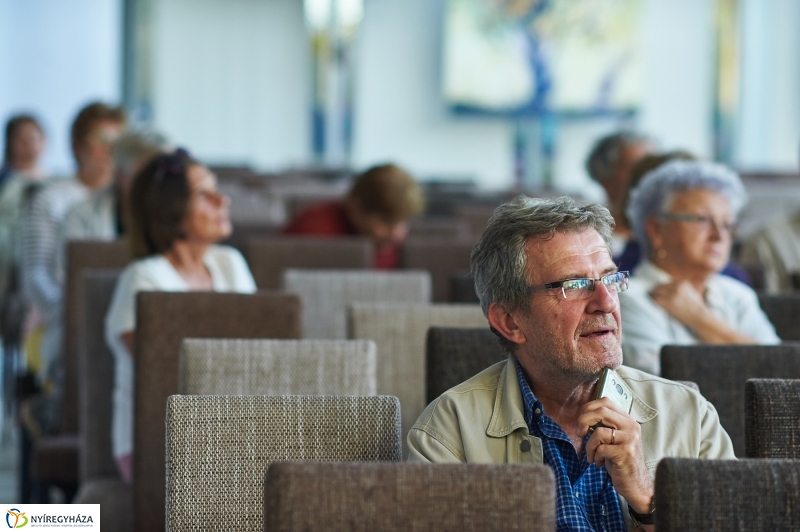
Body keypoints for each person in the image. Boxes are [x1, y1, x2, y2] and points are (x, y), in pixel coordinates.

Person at [407, 195, 736, 531]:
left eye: (609, 279)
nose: (606, 302)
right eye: (575, 285)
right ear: (510, 322)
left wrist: (647, 500)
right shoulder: (449, 433)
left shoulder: (690, 417)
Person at [105, 149, 256, 484]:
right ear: (169, 210)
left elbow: (260, 352)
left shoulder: (230, 263)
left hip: (229, 430)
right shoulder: (143, 278)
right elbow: (166, 375)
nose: (223, 199)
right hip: (158, 440)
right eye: (204, 194)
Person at [620, 161, 779, 375]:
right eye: (703, 220)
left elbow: (783, 370)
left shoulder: (738, 295)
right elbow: (663, 391)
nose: (719, 236)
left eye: (727, 224)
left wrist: (701, 320)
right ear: (656, 230)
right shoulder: (628, 300)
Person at [19, 102, 125, 386]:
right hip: (59, 314)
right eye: (102, 140)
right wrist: (68, 315)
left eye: (118, 141)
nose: (110, 150)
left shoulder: (127, 201)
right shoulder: (51, 198)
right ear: (78, 146)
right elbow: (35, 275)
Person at [282, 164, 425, 269]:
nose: (399, 234)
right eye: (387, 222)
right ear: (355, 209)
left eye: (404, 222)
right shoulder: (313, 234)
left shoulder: (387, 245)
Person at [61, 130, 168, 243]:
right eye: (144, 176)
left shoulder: (180, 214)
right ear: (119, 175)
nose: (154, 184)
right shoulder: (81, 215)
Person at [585, 131, 652, 258]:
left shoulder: (665, 234)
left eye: (653, 165)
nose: (649, 175)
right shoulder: (591, 239)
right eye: (637, 167)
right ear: (604, 176)